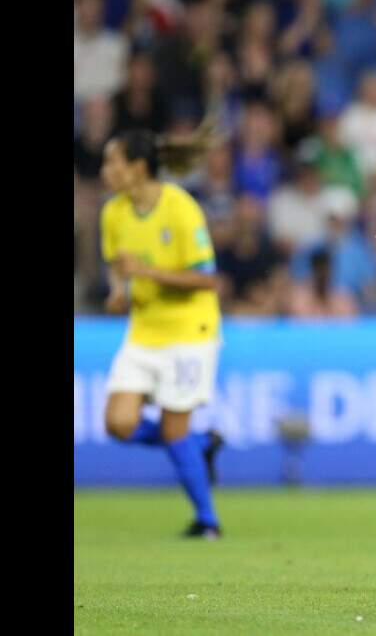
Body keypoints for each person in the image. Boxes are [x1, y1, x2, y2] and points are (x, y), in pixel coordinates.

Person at [99, 125, 225, 539]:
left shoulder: (180, 207)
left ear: (137, 167)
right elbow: (119, 270)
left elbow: (208, 280)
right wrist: (119, 293)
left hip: (190, 331)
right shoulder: (114, 213)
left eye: (112, 162)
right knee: (118, 423)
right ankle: (199, 445)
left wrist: (144, 272)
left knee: (173, 429)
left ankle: (207, 521)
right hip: (143, 332)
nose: (106, 170)